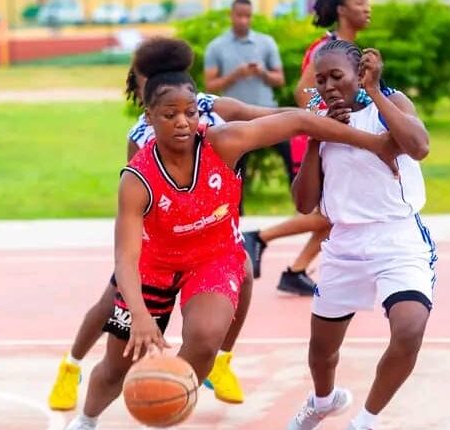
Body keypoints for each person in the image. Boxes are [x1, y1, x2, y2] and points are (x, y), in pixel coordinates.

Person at [64, 36, 399, 430]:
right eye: (170, 115)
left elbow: (299, 122)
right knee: (115, 367)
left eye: (190, 112)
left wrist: (376, 144)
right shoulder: (137, 177)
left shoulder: (223, 142)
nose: (183, 122)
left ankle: (167, 400)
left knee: (206, 339)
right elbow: (126, 257)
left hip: (213, 257)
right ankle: (86, 420)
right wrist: (138, 314)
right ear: (149, 118)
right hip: (154, 265)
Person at [48, 37, 303, 410]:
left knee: (244, 271)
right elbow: (140, 193)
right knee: (111, 302)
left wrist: (313, 117)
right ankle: (71, 365)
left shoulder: (209, 106)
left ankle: (220, 360)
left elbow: (260, 114)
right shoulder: (142, 136)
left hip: (213, 222)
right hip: (161, 239)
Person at [287, 40, 435, 430]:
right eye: (321, 80)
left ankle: (365, 421)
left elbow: (419, 146)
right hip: (344, 244)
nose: (329, 86)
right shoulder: (318, 118)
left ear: (360, 74)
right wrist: (318, 135)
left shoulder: (391, 102)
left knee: (409, 329)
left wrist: (375, 92)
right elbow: (304, 203)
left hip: (397, 238)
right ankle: (323, 401)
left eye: (337, 76)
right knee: (322, 351)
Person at [243, 0, 379, 296]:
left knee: (339, 212)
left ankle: (296, 270)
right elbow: (303, 93)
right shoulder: (327, 48)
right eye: (359, 2)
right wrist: (326, 123)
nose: (367, 7)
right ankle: (260, 237)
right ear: (342, 9)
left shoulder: (345, 47)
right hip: (316, 141)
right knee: (334, 212)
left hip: (335, 137)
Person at [204, 0, 293, 216]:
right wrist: (235, 75)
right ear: (231, 15)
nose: (244, 20)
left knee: (291, 159)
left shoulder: (266, 42)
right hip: (234, 120)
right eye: (239, 16)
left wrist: (262, 72)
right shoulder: (217, 46)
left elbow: (279, 79)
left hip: (267, 114)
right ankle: (235, 215)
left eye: (248, 16)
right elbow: (210, 85)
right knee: (235, 169)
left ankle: (305, 209)